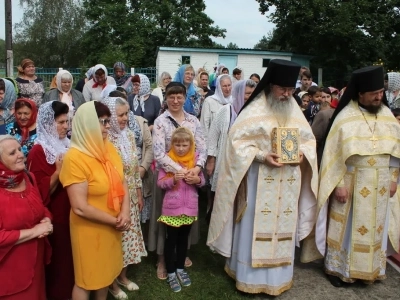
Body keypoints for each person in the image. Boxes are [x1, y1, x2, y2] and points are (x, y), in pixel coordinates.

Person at [207, 59, 318, 296]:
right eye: (282, 89)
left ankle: (279, 278)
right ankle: (248, 277)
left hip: (287, 182)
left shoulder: (294, 110)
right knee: (253, 228)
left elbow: (309, 141)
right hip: (259, 181)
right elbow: (235, 144)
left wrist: (301, 154)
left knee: (282, 228)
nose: (287, 95)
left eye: (290, 90)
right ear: (270, 86)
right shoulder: (254, 109)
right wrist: (261, 155)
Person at [314, 66, 400, 287]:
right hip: (352, 182)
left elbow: (396, 151)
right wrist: (339, 185)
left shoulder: (387, 115)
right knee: (347, 228)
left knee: (375, 229)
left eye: (381, 92)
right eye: (374, 94)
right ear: (360, 93)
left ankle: (370, 270)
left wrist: (393, 179)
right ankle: (338, 270)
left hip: (380, 184)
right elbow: (333, 156)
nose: (379, 97)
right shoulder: (345, 117)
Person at [59, 101, 130, 300]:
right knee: (86, 281)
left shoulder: (107, 148)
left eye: (109, 121)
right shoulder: (75, 158)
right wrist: (116, 221)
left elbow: (122, 181)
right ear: (88, 123)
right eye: (103, 121)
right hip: (90, 230)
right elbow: (80, 207)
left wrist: (125, 212)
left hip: (112, 226)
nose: (108, 126)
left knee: (105, 276)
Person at [150, 82, 206, 280]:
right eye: (171, 97)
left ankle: (181, 256)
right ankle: (162, 259)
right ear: (166, 98)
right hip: (169, 177)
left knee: (185, 218)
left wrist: (197, 169)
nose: (175, 101)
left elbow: (202, 147)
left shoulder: (193, 121)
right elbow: (158, 153)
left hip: (190, 178)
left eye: (179, 96)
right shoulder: (160, 121)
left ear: (184, 97)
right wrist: (179, 171)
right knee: (165, 219)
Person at [26, 101, 74, 300]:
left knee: (71, 259)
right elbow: (37, 191)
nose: (66, 126)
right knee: (59, 262)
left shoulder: (66, 143)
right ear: (47, 124)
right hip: (55, 214)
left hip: (71, 209)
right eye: (61, 122)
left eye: (67, 121)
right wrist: (58, 172)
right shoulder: (39, 150)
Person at [102, 96, 147, 299]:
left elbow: (134, 167)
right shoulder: (104, 139)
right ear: (110, 116)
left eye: (126, 113)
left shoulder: (128, 135)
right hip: (114, 195)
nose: (125, 118)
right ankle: (111, 283)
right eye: (120, 114)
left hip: (131, 192)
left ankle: (123, 276)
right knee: (115, 239)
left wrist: (138, 190)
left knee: (129, 236)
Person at [0, 135, 53, 300]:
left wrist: (47, 219)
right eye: (12, 153)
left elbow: (41, 208)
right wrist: (35, 231)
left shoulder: (28, 177)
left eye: (20, 149)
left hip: (36, 267)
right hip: (10, 273)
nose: (20, 155)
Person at [157, 127, 205, 292]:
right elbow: (161, 183)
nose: (181, 148)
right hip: (172, 209)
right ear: (172, 145)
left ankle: (180, 268)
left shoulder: (195, 161)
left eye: (185, 145)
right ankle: (170, 272)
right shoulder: (168, 161)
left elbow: (202, 182)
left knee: (184, 239)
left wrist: (196, 179)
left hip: (189, 209)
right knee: (171, 241)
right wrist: (173, 180)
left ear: (190, 145)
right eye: (177, 145)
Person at [206, 79, 256, 194]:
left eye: (253, 93)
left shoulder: (254, 113)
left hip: (246, 162)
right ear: (239, 94)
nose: (251, 97)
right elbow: (213, 136)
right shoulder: (225, 111)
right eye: (247, 93)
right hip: (225, 160)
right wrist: (211, 160)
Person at [200, 74, 232, 142]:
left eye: (229, 85)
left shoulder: (234, 101)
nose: (227, 89)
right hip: (213, 144)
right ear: (219, 87)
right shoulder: (209, 101)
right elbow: (204, 125)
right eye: (224, 86)